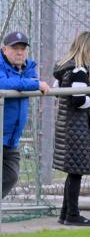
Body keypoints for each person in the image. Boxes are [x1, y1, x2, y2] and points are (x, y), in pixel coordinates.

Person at [52, 31, 90, 226]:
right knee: (76, 173)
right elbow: (79, 100)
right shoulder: (79, 70)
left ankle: (65, 214)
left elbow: (59, 93)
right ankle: (72, 214)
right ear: (86, 49)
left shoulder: (63, 67)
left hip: (67, 126)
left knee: (72, 172)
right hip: (77, 128)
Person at [0, 31, 49, 198]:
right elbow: (4, 83)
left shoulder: (28, 67)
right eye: (15, 48)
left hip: (11, 139)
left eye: (22, 48)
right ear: (4, 49)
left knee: (11, 176)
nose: (19, 52)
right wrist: (34, 84)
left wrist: (32, 83)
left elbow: (29, 81)